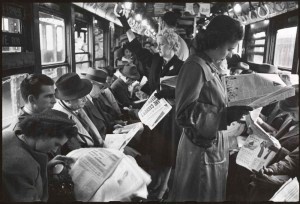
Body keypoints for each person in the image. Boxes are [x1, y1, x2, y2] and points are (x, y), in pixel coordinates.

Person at [168, 15, 252, 202]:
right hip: (199, 148)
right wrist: (224, 115)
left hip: (211, 142)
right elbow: (184, 114)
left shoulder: (209, 66)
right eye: (229, 48)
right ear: (217, 41)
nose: (230, 54)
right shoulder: (195, 67)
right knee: (199, 194)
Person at [117, 11, 184, 200]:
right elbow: (136, 48)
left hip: (171, 118)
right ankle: (156, 183)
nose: (158, 47)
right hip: (155, 115)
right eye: (158, 44)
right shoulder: (156, 61)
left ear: (172, 45)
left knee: (168, 153)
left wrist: (171, 95)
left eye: (161, 44)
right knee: (156, 151)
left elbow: (186, 92)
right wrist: (124, 21)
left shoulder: (182, 66)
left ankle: (162, 189)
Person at [2, 109, 78, 202]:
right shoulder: (22, 164)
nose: (55, 150)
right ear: (43, 134)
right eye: (56, 144)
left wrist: (46, 167)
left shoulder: (8, 135)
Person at [53, 73, 104, 154]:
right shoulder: (61, 120)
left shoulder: (77, 108)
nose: (86, 100)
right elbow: (75, 149)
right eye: (81, 97)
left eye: (85, 96)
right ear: (67, 100)